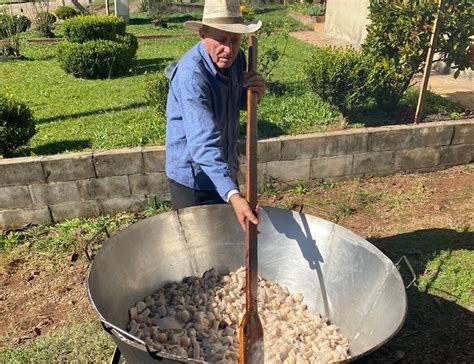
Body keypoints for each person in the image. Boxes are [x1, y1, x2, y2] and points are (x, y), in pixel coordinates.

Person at [165, 0, 265, 230]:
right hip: (193, 179)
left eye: (235, 40)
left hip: (224, 169)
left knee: (223, 237)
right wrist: (233, 195)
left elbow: (232, 102)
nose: (228, 49)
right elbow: (203, 144)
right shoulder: (192, 76)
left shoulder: (237, 59)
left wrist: (254, 94)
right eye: (221, 39)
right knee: (195, 244)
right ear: (202, 34)